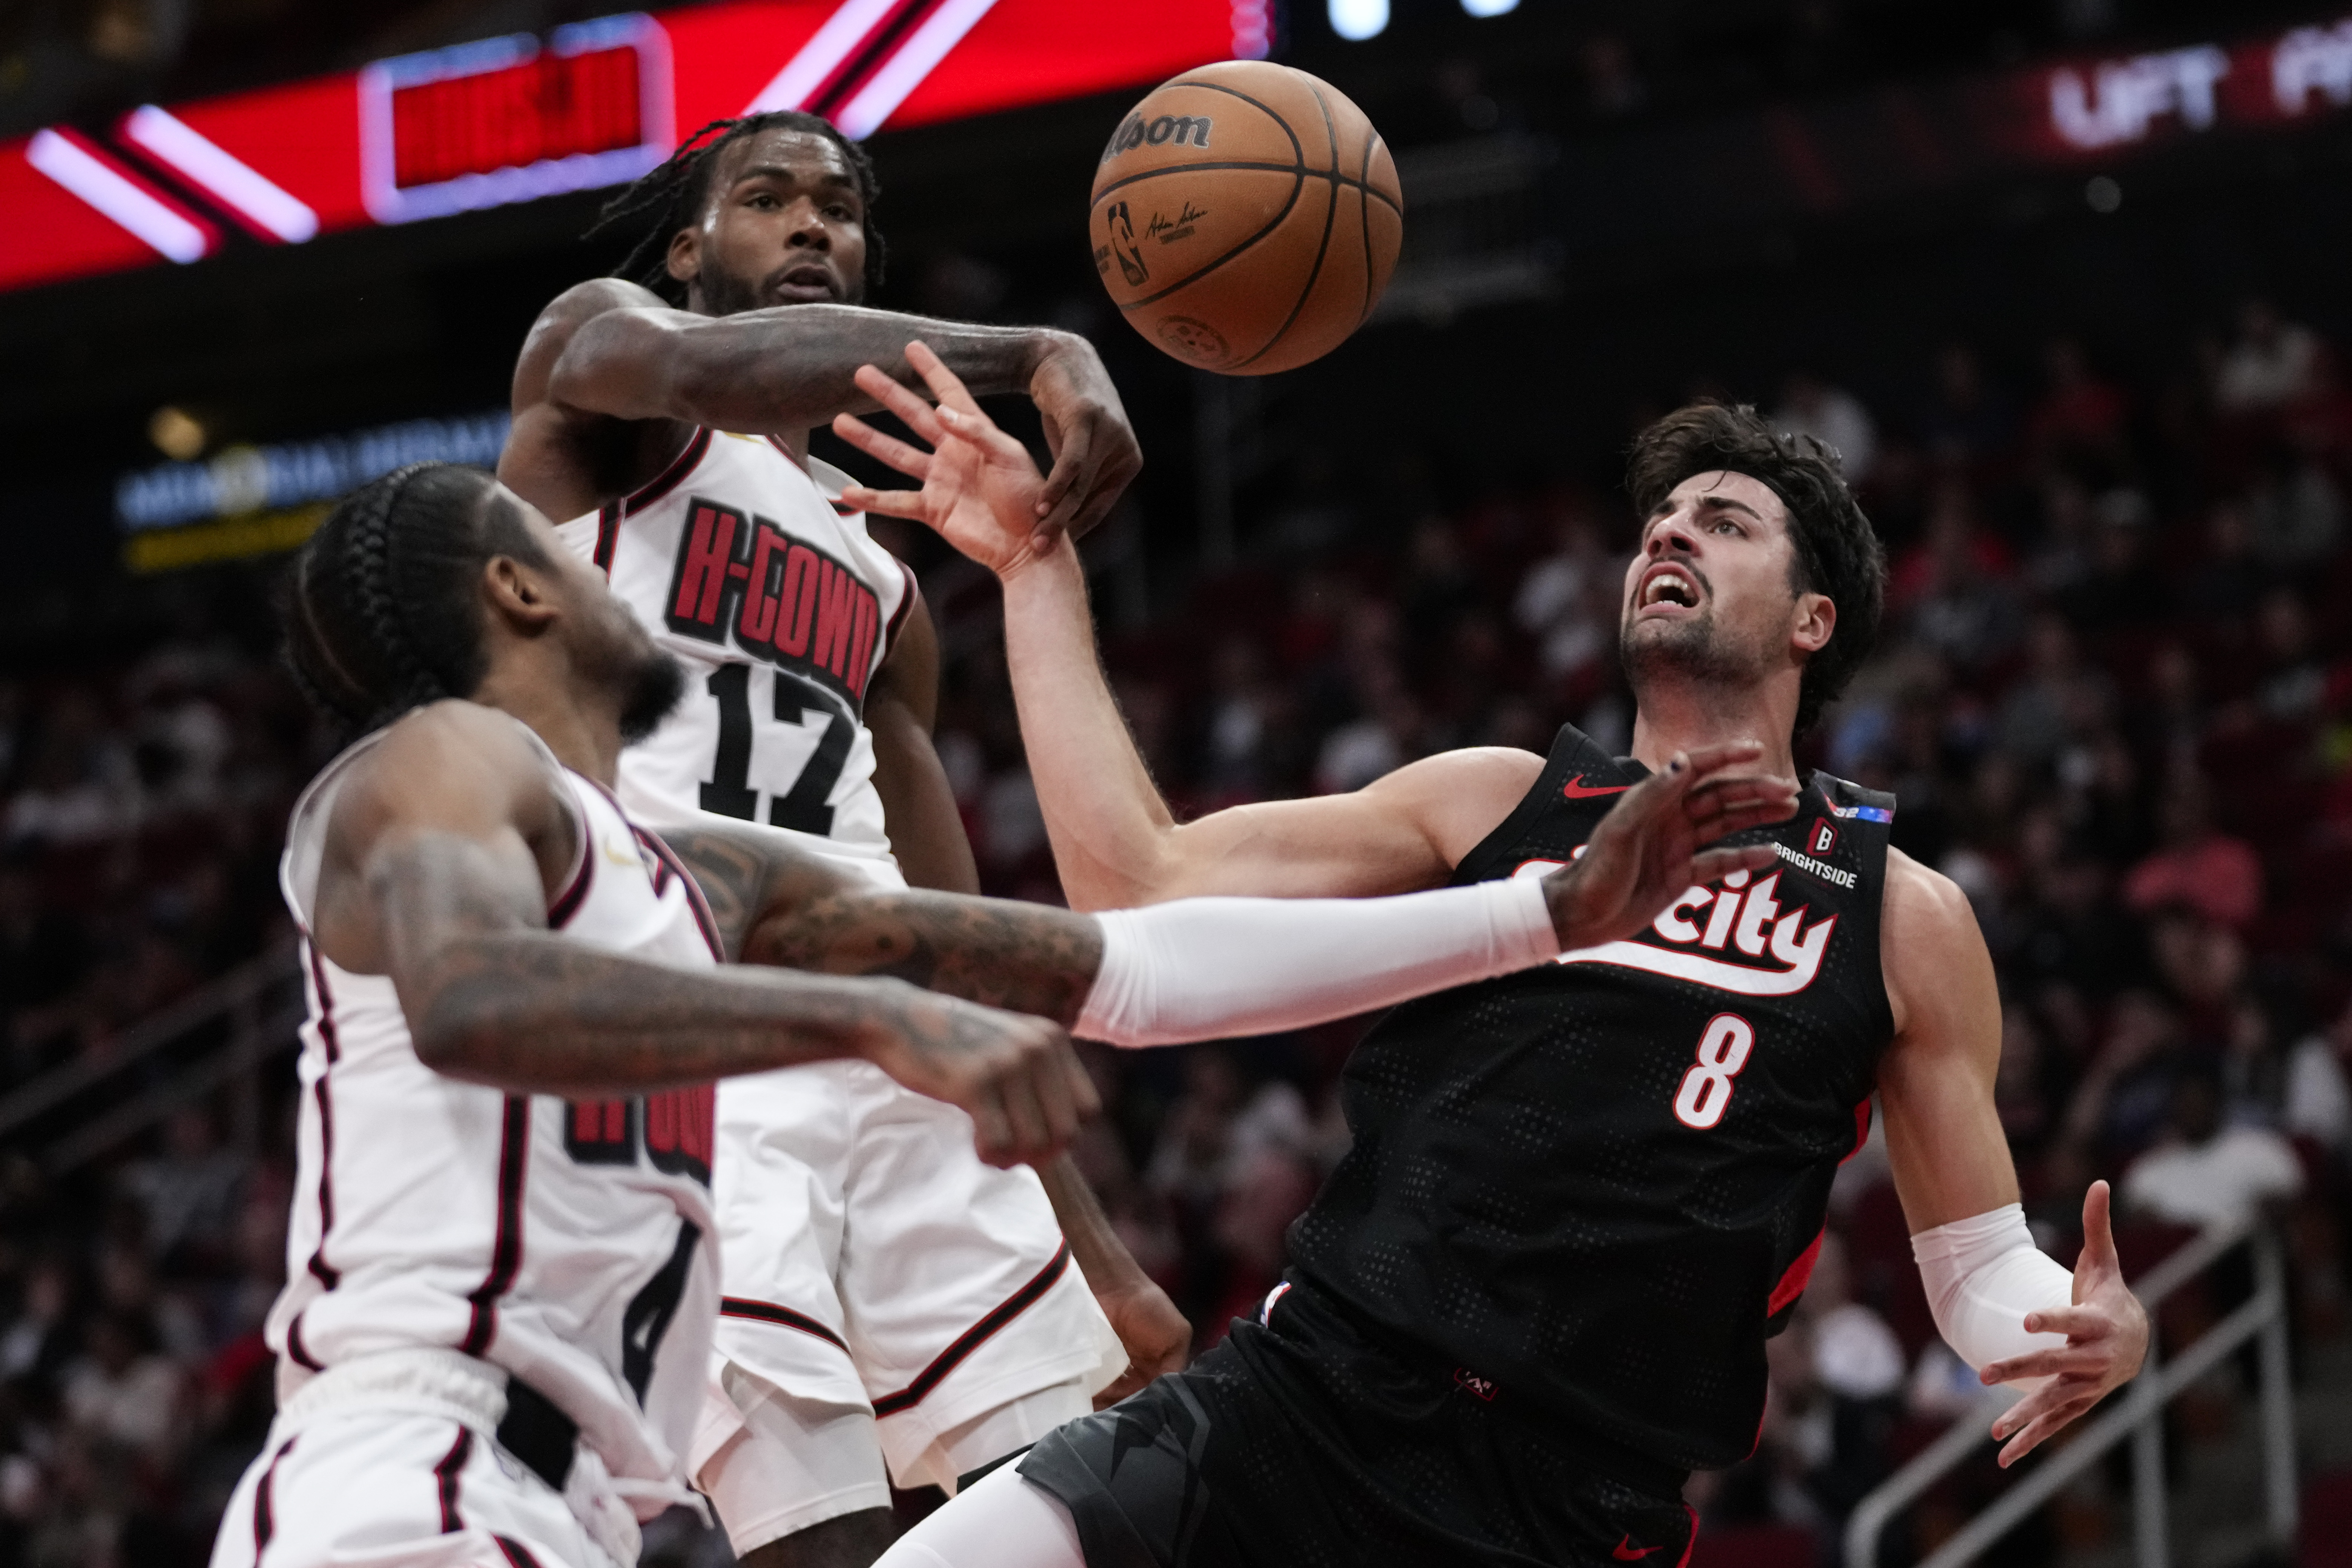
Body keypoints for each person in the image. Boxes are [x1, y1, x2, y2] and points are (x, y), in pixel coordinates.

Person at [215, 461, 1799, 1568]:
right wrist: (876, 1025)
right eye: (558, 543)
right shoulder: (434, 761)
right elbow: (471, 996)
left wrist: (1545, 914)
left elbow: (1122, 968)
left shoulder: (698, 875)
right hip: (411, 1475)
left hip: (563, 1512)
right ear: (517, 584)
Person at [827, 360, 2153, 1568]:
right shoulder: (1501, 799)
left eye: (1724, 521)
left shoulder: (1900, 911)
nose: (1668, 534)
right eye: (1659, 521)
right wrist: (1035, 561)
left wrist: (2091, 1327)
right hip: (1305, 1399)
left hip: (1564, 1511)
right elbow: (1136, 883)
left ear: (1815, 621)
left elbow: (1980, 1277)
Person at [495, 110, 1161, 1567]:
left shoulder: (882, 578)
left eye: (839, 207)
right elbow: (705, 368)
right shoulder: (602, 362)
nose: (812, 227)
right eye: (768, 199)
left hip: (899, 1056)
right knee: (821, 1535)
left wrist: (1091, 1242)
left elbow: (949, 921)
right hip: (688, 1022)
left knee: (1059, 1514)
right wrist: (1042, 351)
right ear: (689, 247)